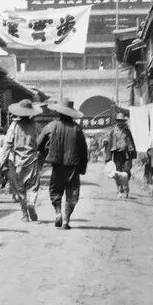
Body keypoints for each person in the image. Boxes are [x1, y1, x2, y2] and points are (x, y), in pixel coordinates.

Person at [37, 98, 88, 230]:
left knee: (55, 191)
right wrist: (82, 168)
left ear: (59, 112)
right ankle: (66, 221)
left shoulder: (51, 126)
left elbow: (39, 144)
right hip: (73, 167)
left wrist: (46, 155)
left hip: (57, 166)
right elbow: (83, 151)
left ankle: (58, 212)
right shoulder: (77, 129)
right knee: (72, 194)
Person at [0, 99, 43, 221]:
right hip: (32, 160)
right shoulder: (36, 125)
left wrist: (2, 162)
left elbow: (7, 144)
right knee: (33, 186)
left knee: (20, 189)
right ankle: (31, 203)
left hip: (16, 162)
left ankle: (25, 215)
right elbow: (41, 142)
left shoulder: (14, 125)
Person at [104, 112, 137, 196]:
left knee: (126, 171)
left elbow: (131, 142)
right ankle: (119, 187)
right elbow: (110, 144)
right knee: (117, 172)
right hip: (117, 154)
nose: (120, 122)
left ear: (123, 121)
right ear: (117, 121)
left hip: (126, 153)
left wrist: (132, 151)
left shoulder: (127, 131)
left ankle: (126, 186)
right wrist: (108, 157)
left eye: (121, 121)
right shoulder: (113, 131)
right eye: (119, 120)